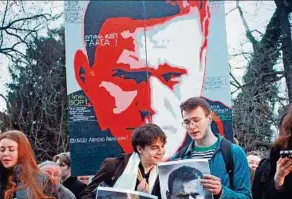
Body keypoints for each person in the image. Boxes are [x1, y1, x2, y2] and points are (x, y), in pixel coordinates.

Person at [71, 1, 231, 163]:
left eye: (172, 76)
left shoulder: (226, 152)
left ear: (202, 62)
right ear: (85, 77)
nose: (152, 105)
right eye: (128, 77)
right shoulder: (84, 147)